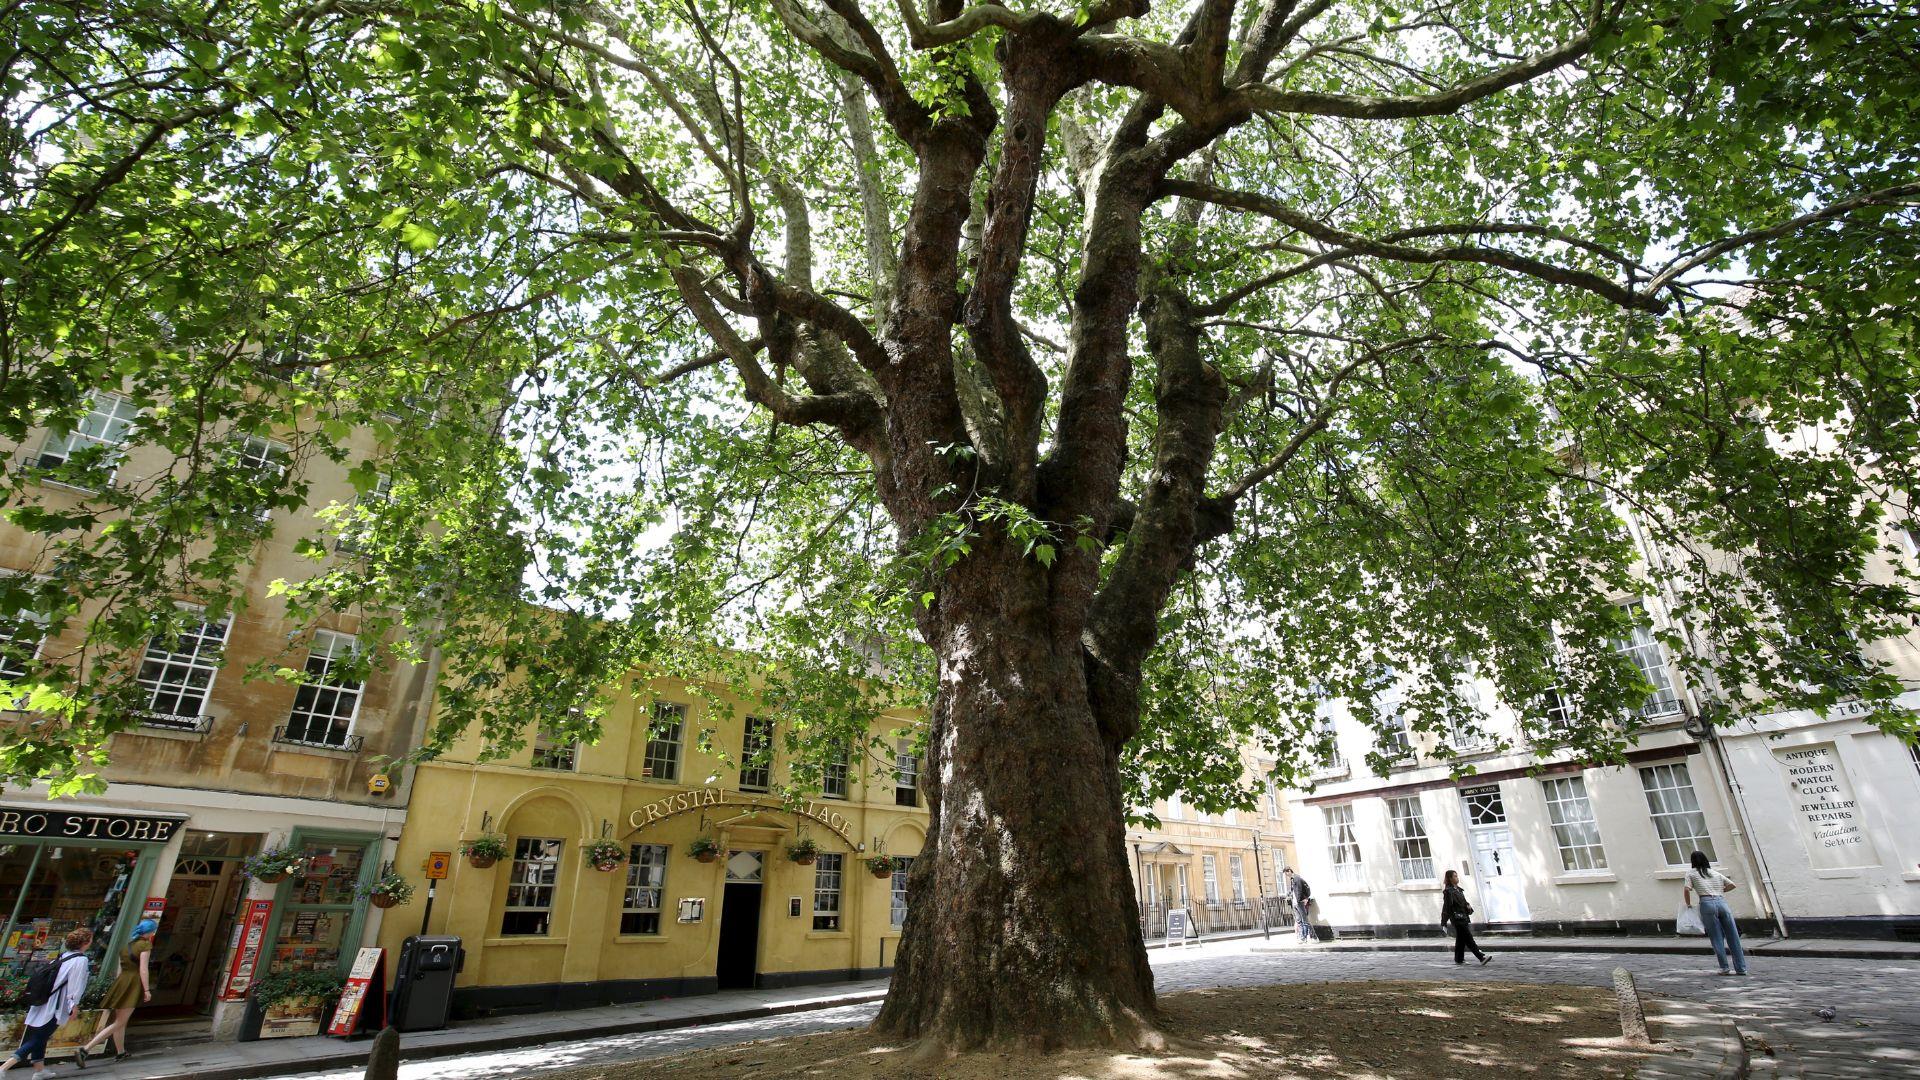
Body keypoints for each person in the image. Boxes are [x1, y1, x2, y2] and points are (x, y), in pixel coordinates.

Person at [2, 927, 92, 1078]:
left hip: (43, 1001)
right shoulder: (80, 960)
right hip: (56, 1005)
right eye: (90, 940)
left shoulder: (62, 956)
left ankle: (39, 1070)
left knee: (40, 1036)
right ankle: (4, 1067)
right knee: (38, 1038)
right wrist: (73, 1005)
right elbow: (75, 985)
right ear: (85, 943)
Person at [75, 919, 157, 1067]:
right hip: (132, 983)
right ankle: (85, 1049)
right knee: (120, 1022)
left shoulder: (127, 947)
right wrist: (146, 989)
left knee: (121, 1021)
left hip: (121, 982)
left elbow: (120, 970)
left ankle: (121, 1052)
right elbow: (143, 969)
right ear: (150, 932)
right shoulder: (145, 945)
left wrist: (119, 986)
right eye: (153, 930)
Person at [1683, 850, 1748, 976]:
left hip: (1706, 903)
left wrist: (1688, 904)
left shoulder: (1691, 874)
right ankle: (1741, 968)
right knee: (1733, 936)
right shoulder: (1714, 873)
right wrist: (1720, 891)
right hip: (1721, 902)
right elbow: (1732, 885)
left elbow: (1687, 889)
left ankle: (1724, 967)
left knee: (1716, 937)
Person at [1441, 870, 1491, 965]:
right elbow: (1446, 908)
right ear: (1450, 878)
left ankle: (1459, 959)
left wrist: (1469, 907)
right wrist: (1443, 922)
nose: (1457, 878)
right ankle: (1481, 957)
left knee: (1461, 940)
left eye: (1457, 876)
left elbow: (1464, 903)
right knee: (1468, 938)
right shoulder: (1448, 892)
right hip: (1457, 919)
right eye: (1455, 876)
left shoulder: (1459, 890)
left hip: (1463, 917)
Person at [1284, 869, 1314, 943]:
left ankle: (1307, 937)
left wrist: (1301, 900)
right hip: (1294, 903)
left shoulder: (1297, 878)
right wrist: (1289, 896)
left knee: (1304, 920)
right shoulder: (1292, 879)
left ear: (1289, 871)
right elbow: (1293, 891)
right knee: (1299, 921)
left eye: (1286, 873)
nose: (1286, 875)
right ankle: (1303, 937)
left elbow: (1299, 891)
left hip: (1299, 902)